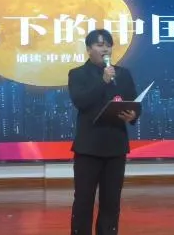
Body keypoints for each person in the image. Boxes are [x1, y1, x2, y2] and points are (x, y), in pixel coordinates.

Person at [68, 29, 138, 235]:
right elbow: (81, 101)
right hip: (88, 148)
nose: (105, 49)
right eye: (100, 45)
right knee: (83, 200)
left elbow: (133, 102)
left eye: (108, 45)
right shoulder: (77, 74)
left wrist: (133, 115)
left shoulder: (123, 74)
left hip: (116, 146)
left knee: (111, 201)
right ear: (89, 49)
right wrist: (103, 81)